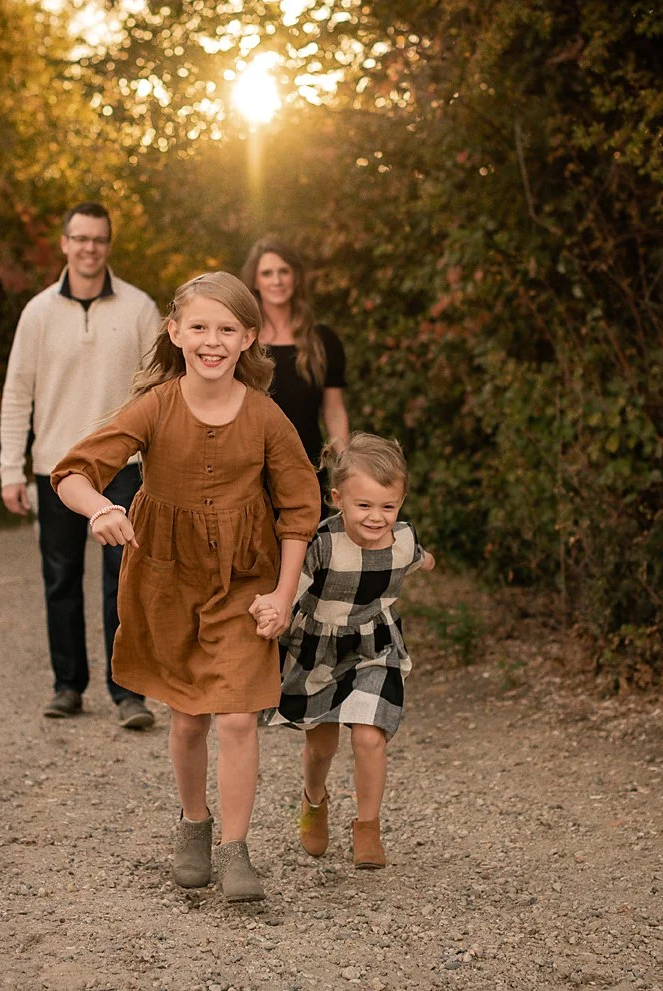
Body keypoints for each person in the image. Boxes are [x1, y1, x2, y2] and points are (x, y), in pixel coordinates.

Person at [50, 271, 321, 902]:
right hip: (167, 582)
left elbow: (299, 508)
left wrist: (283, 594)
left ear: (249, 338)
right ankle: (193, 825)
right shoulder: (155, 406)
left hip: (244, 584)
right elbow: (72, 472)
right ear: (174, 332)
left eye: (228, 329)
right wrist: (101, 510)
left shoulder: (264, 416)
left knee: (236, 718)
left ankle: (236, 848)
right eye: (199, 326)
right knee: (189, 719)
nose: (212, 340)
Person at [0, 202, 163, 729]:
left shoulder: (139, 309)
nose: (89, 247)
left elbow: (160, 390)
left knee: (123, 581)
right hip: (56, 467)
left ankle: (127, 694)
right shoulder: (38, 313)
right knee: (61, 577)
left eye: (98, 239)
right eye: (80, 238)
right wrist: (9, 469)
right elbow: (16, 394)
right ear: (65, 243)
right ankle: (67, 686)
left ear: (108, 246)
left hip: (125, 467)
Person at [258, 433, 435, 869]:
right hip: (318, 650)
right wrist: (268, 612)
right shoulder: (320, 543)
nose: (377, 518)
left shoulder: (404, 540)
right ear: (337, 498)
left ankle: (368, 827)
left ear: (401, 501)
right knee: (321, 744)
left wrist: (427, 561)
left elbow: (420, 558)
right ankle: (314, 800)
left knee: (371, 735)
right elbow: (291, 587)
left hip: (375, 647)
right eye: (364, 506)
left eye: (388, 507)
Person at [240, 238, 350, 487]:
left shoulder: (323, 340)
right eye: (267, 273)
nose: (276, 281)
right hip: (249, 473)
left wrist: (345, 470)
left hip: (308, 469)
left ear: (296, 277)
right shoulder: (243, 339)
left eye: (284, 272)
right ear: (255, 282)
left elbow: (334, 411)